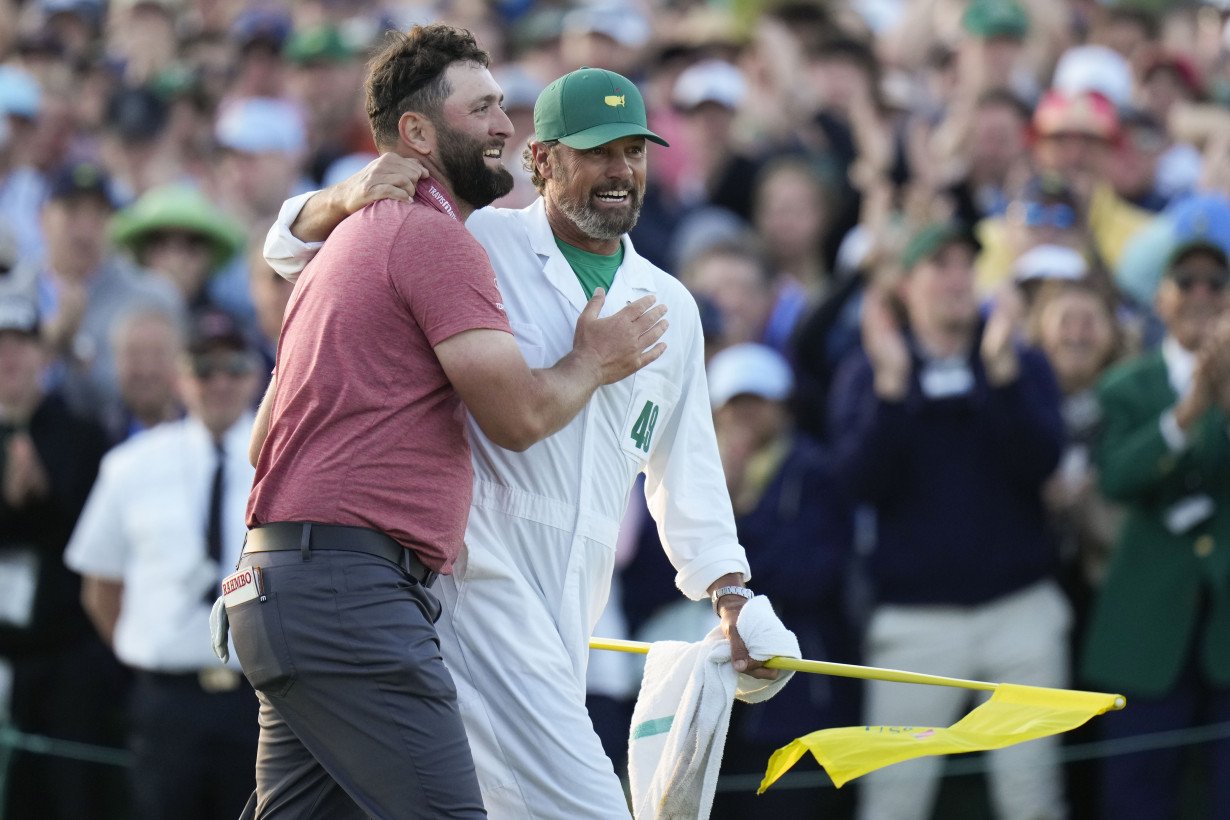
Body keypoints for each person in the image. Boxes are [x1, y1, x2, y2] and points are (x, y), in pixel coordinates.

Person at [262, 63, 790, 817]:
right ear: (540, 160)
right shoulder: (475, 242)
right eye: (596, 152)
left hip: (574, 603)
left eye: (633, 152)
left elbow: (687, 470)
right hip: (470, 583)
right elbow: (304, 258)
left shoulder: (671, 303)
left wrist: (731, 594)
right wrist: (337, 197)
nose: (620, 172)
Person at [828, 222, 1070, 820]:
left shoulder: (1017, 359)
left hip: (1021, 610)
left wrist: (1003, 374)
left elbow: (1043, 463)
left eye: (967, 264)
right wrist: (890, 389)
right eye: (940, 265)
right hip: (915, 624)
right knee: (892, 805)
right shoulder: (870, 369)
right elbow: (857, 485)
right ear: (905, 286)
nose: (958, 279)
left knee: (1032, 802)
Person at [65, 309, 262, 820]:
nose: (219, 382)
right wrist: (153, 651)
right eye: (203, 367)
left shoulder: (283, 462)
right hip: (165, 701)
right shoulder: (131, 465)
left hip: (261, 700)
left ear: (256, 375)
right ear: (180, 375)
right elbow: (100, 588)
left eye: (234, 366)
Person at [1080, 233, 1230, 819]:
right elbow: (1116, 476)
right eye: (1184, 282)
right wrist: (1191, 407)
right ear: (1160, 300)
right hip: (1146, 624)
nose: (1200, 294)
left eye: (1215, 284)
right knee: (1135, 792)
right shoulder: (1127, 385)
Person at [0, 293, 122, 820]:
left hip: (65, 658)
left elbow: (91, 546)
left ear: (44, 356)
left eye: (22, 344)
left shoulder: (80, 434)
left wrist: (42, 499)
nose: (9, 356)